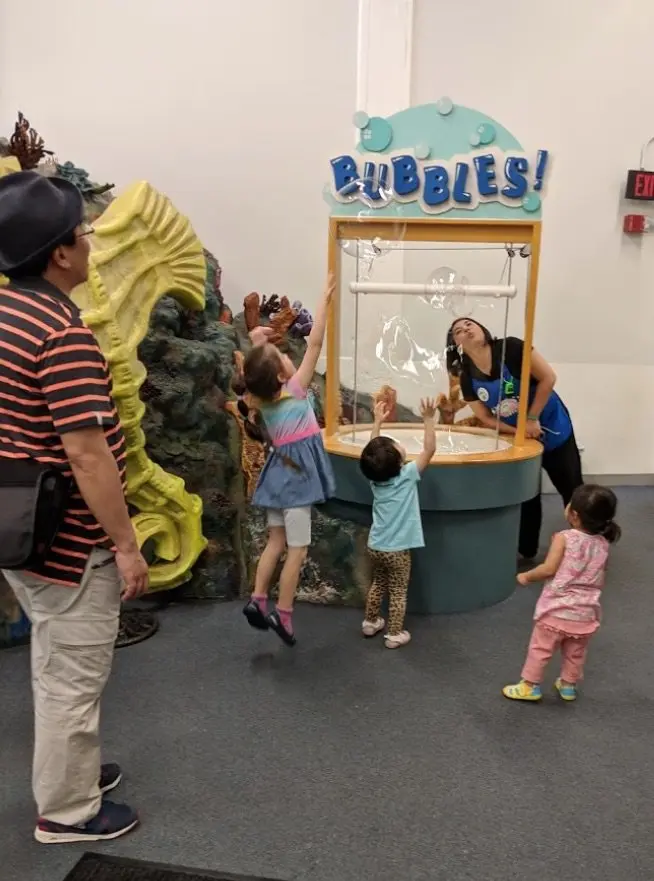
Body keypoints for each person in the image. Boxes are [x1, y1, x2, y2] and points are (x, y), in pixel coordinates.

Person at [0, 171, 149, 844]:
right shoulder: (62, 332)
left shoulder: (7, 313)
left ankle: (74, 771)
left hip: (18, 528)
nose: (90, 246)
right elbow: (89, 455)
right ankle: (67, 810)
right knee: (71, 673)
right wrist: (124, 542)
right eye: (84, 235)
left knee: (54, 655)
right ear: (60, 252)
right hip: (67, 544)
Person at [241, 276, 336, 646]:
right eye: (282, 356)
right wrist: (324, 301)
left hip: (277, 475)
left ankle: (257, 598)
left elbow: (255, 365)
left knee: (274, 542)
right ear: (282, 374)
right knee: (297, 549)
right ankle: (283, 614)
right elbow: (315, 342)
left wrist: (257, 340)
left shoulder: (261, 399)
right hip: (297, 484)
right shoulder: (295, 390)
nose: (287, 354)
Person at [446, 318, 583, 561]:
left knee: (571, 489)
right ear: (455, 344)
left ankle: (585, 545)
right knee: (528, 495)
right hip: (521, 439)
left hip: (553, 428)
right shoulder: (467, 376)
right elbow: (485, 417)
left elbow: (548, 378)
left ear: (483, 329)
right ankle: (526, 550)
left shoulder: (512, 348)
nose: (466, 329)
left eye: (470, 324)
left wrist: (532, 418)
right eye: (458, 330)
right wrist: (518, 431)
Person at [503, 484, 620, 702]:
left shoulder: (564, 537)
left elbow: (549, 568)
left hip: (556, 610)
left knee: (541, 648)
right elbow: (600, 576)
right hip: (586, 612)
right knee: (575, 652)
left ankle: (530, 686)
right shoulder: (603, 544)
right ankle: (568, 685)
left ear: (573, 514)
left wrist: (526, 576)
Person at [358, 397, 437, 648]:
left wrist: (377, 422)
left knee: (378, 583)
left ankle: (370, 622)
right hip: (398, 551)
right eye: (397, 446)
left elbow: (372, 452)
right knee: (398, 591)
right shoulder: (407, 476)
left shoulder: (375, 480)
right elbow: (429, 450)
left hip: (376, 545)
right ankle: (394, 634)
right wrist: (427, 420)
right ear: (400, 461)